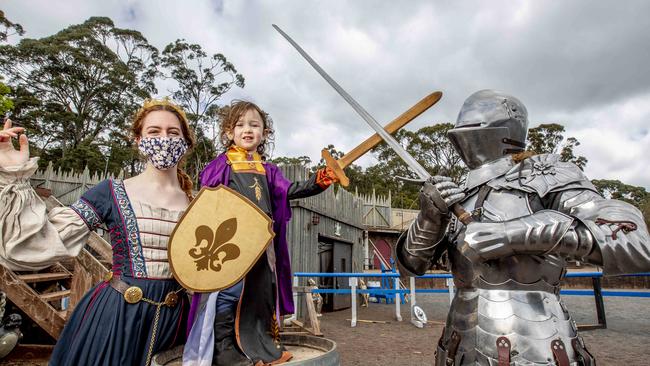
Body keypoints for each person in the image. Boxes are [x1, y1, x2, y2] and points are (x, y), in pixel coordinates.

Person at [395, 90, 650, 365]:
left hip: (536, 340)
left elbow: (631, 238)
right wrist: (430, 218)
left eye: (472, 129)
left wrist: (508, 235)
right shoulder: (461, 192)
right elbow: (410, 266)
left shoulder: (545, 173)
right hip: (458, 341)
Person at [0, 98, 195, 366]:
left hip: (177, 325)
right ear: (139, 140)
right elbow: (41, 239)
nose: (164, 139)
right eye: (154, 132)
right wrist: (14, 174)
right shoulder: (111, 191)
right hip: (116, 318)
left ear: (185, 141)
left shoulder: (197, 203)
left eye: (173, 132)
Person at [183, 100, 338, 366]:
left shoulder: (269, 171)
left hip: (261, 244)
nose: (247, 129)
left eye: (254, 125)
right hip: (227, 244)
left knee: (261, 295)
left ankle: (261, 348)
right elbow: (207, 205)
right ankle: (224, 350)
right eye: (240, 124)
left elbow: (291, 191)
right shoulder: (220, 166)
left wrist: (319, 180)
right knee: (228, 294)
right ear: (228, 132)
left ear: (264, 133)